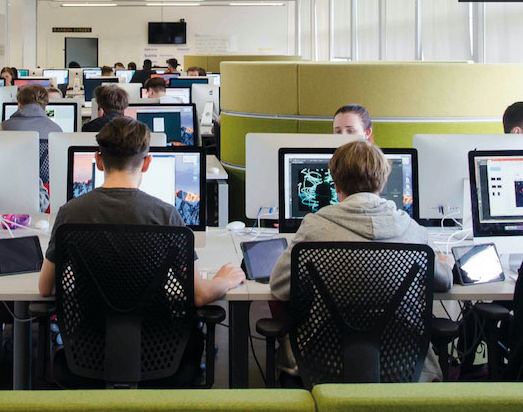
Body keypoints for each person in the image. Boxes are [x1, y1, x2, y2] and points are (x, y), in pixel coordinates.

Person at [268, 140, 452, 382]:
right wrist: (445, 263)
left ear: (335, 185)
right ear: (383, 181)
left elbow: (279, 287)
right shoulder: (412, 231)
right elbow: (444, 282)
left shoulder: (314, 228)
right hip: (403, 368)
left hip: (325, 365)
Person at [38, 117, 244, 306]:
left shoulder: (69, 213)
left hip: (86, 340)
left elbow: (45, 288)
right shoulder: (166, 215)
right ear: (147, 163)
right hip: (157, 342)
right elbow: (200, 294)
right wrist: (224, 280)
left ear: (98, 161)